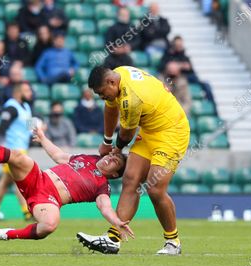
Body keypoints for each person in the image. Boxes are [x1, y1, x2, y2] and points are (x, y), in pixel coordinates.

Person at [77, 65, 190, 255]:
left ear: (111, 82)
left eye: (102, 93)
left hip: (172, 132)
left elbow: (127, 133)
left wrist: (116, 150)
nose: (101, 97)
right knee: (130, 179)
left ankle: (173, 242)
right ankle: (113, 239)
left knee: (155, 189)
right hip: (150, 131)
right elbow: (111, 109)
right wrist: (106, 140)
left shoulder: (132, 98)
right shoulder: (119, 74)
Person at [0, 127, 134, 242]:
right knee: (19, 157)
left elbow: (105, 207)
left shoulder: (102, 185)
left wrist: (116, 222)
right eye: (112, 155)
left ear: (114, 174)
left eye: (115, 162)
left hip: (48, 199)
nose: (111, 158)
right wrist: (43, 138)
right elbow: (59, 156)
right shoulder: (88, 158)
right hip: (38, 178)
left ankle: (7, 234)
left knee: (50, 224)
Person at [0, 82, 34, 221]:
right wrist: (2, 152)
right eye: (27, 90)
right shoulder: (11, 107)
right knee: (20, 180)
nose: (30, 93)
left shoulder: (26, 107)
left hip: (22, 150)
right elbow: (2, 128)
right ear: (18, 92)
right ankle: (27, 212)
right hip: (13, 151)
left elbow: (29, 127)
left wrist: (37, 131)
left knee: (6, 181)